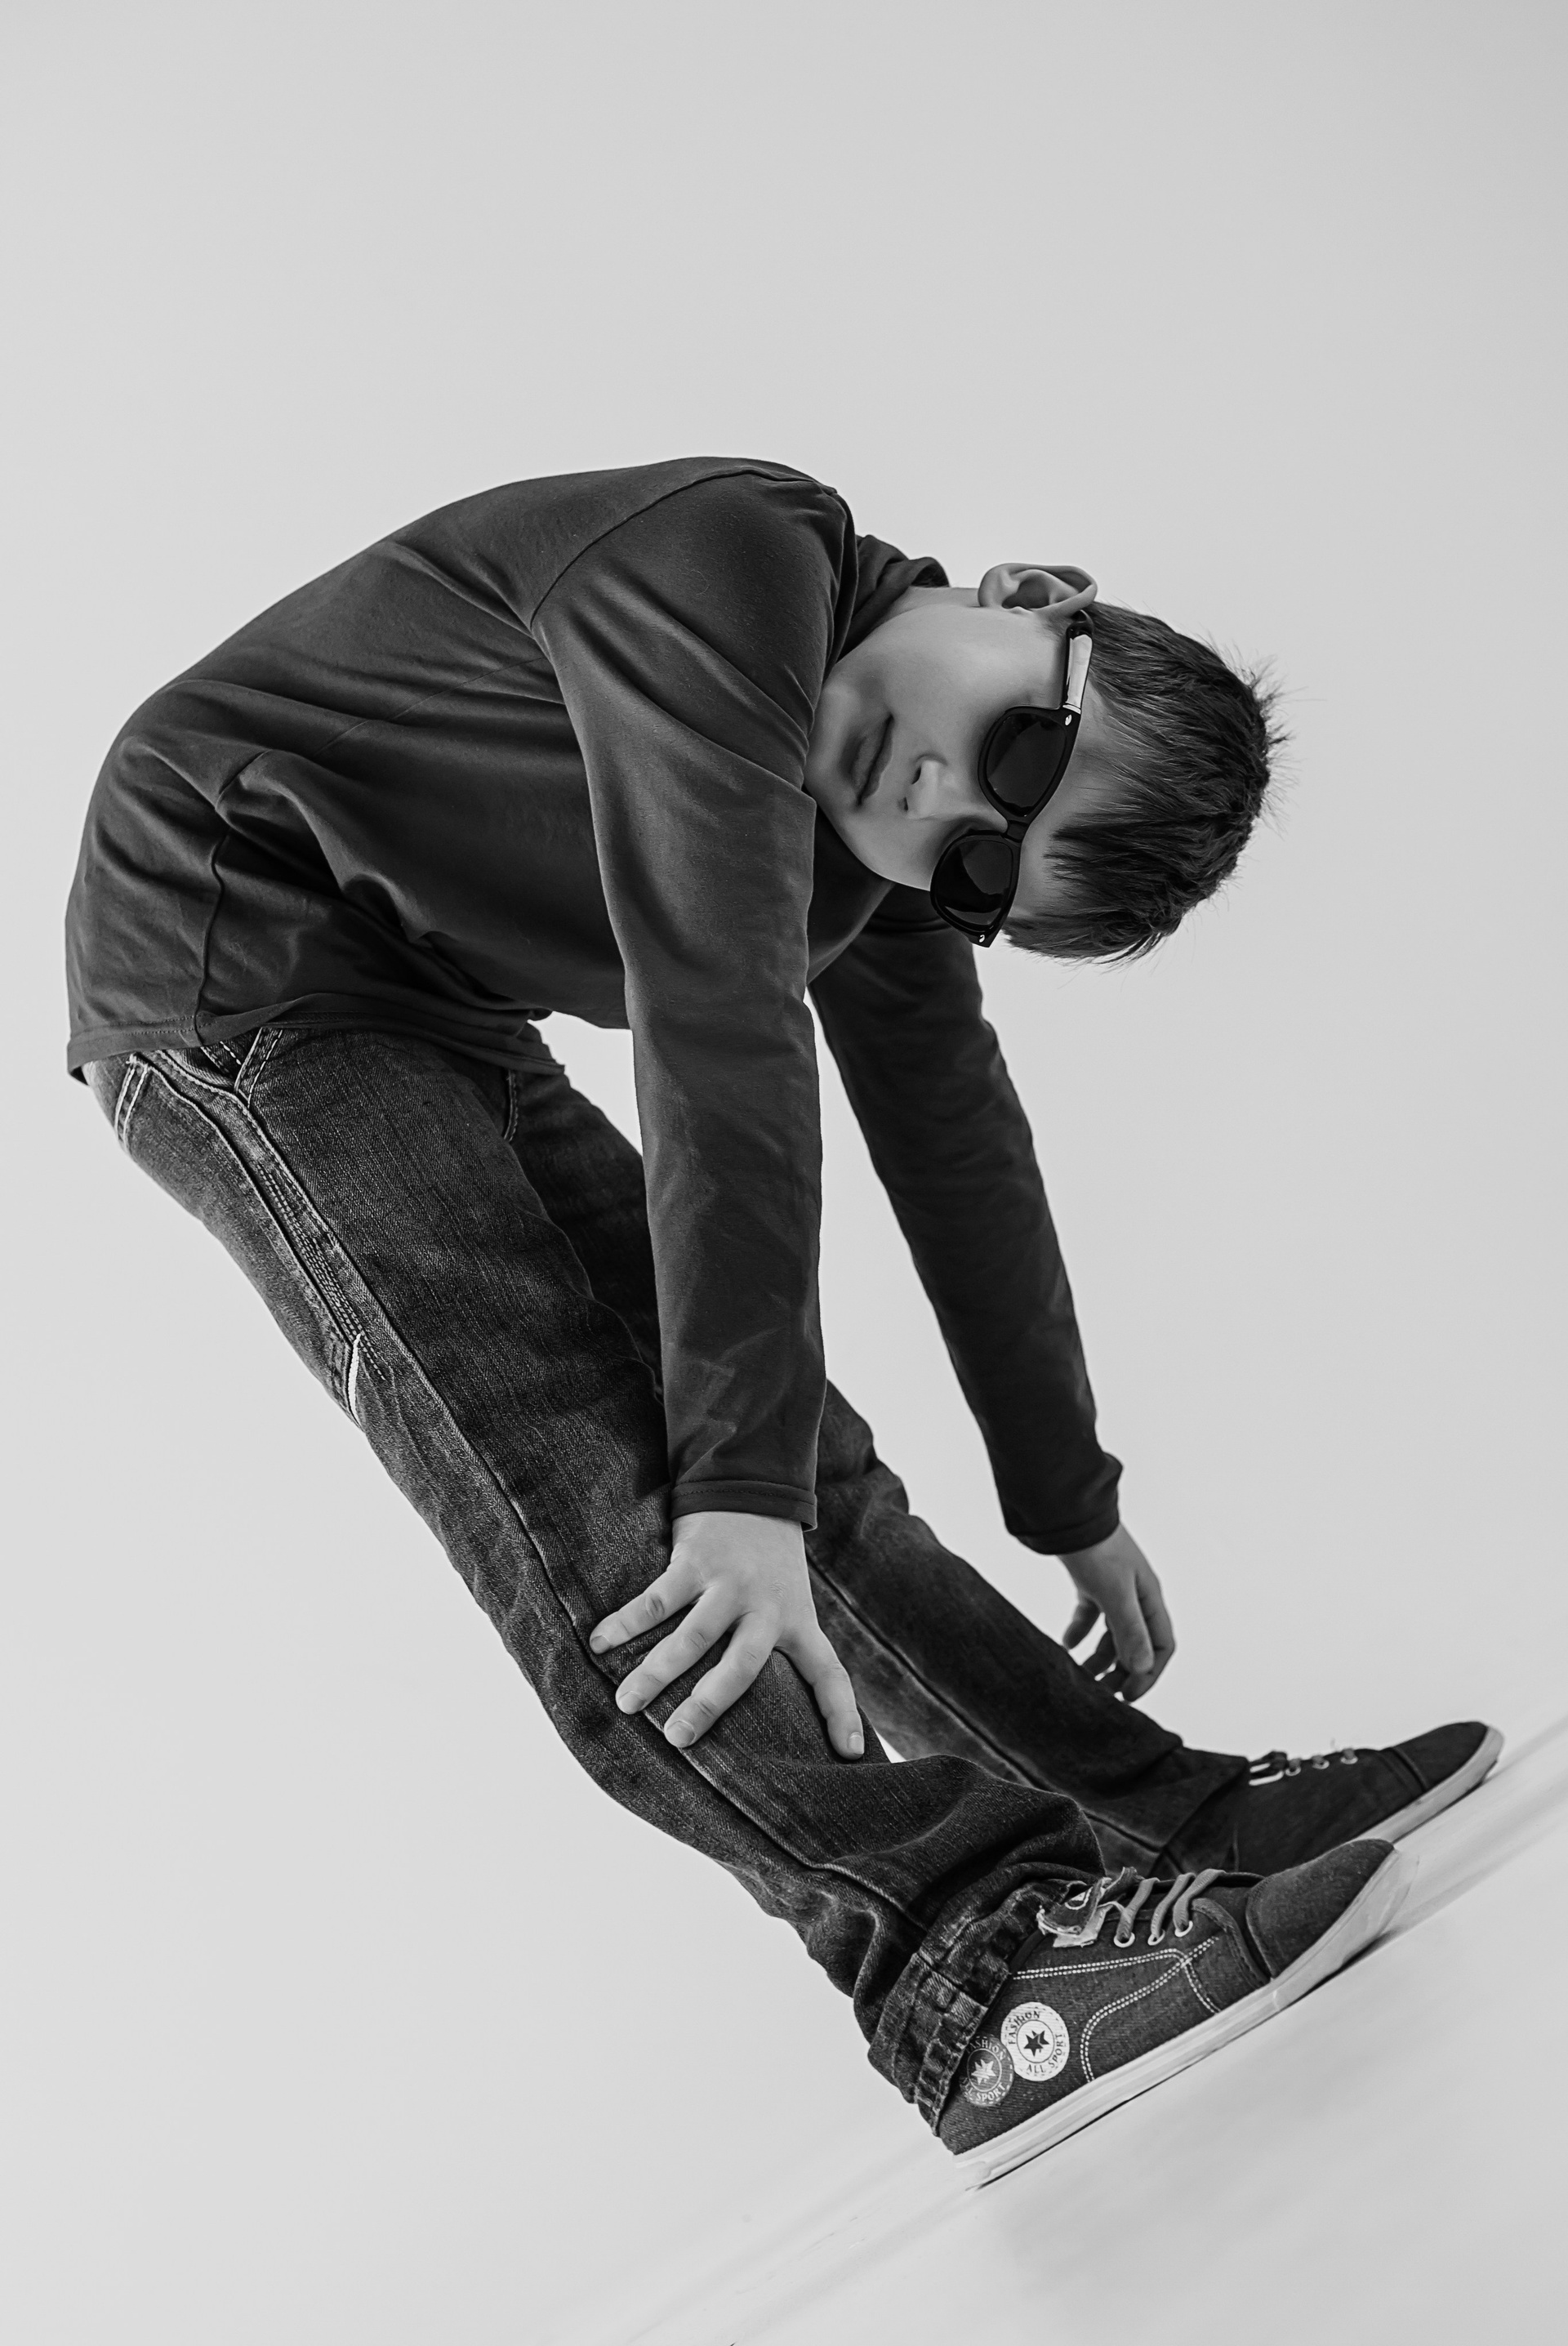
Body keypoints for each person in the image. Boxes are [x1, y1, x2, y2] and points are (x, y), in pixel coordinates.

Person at [65, 456, 1499, 2178]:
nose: (945, 800)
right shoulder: (729, 565)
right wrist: (736, 1496)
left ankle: (1161, 1821)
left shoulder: (871, 848)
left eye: (986, 869)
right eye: (1020, 753)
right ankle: (975, 1979)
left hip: (423, 1005)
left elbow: (957, 1142)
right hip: (232, 971)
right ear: (1033, 597)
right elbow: (719, 1037)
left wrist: (1068, 1496)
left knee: (795, 1462)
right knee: (606, 1508)